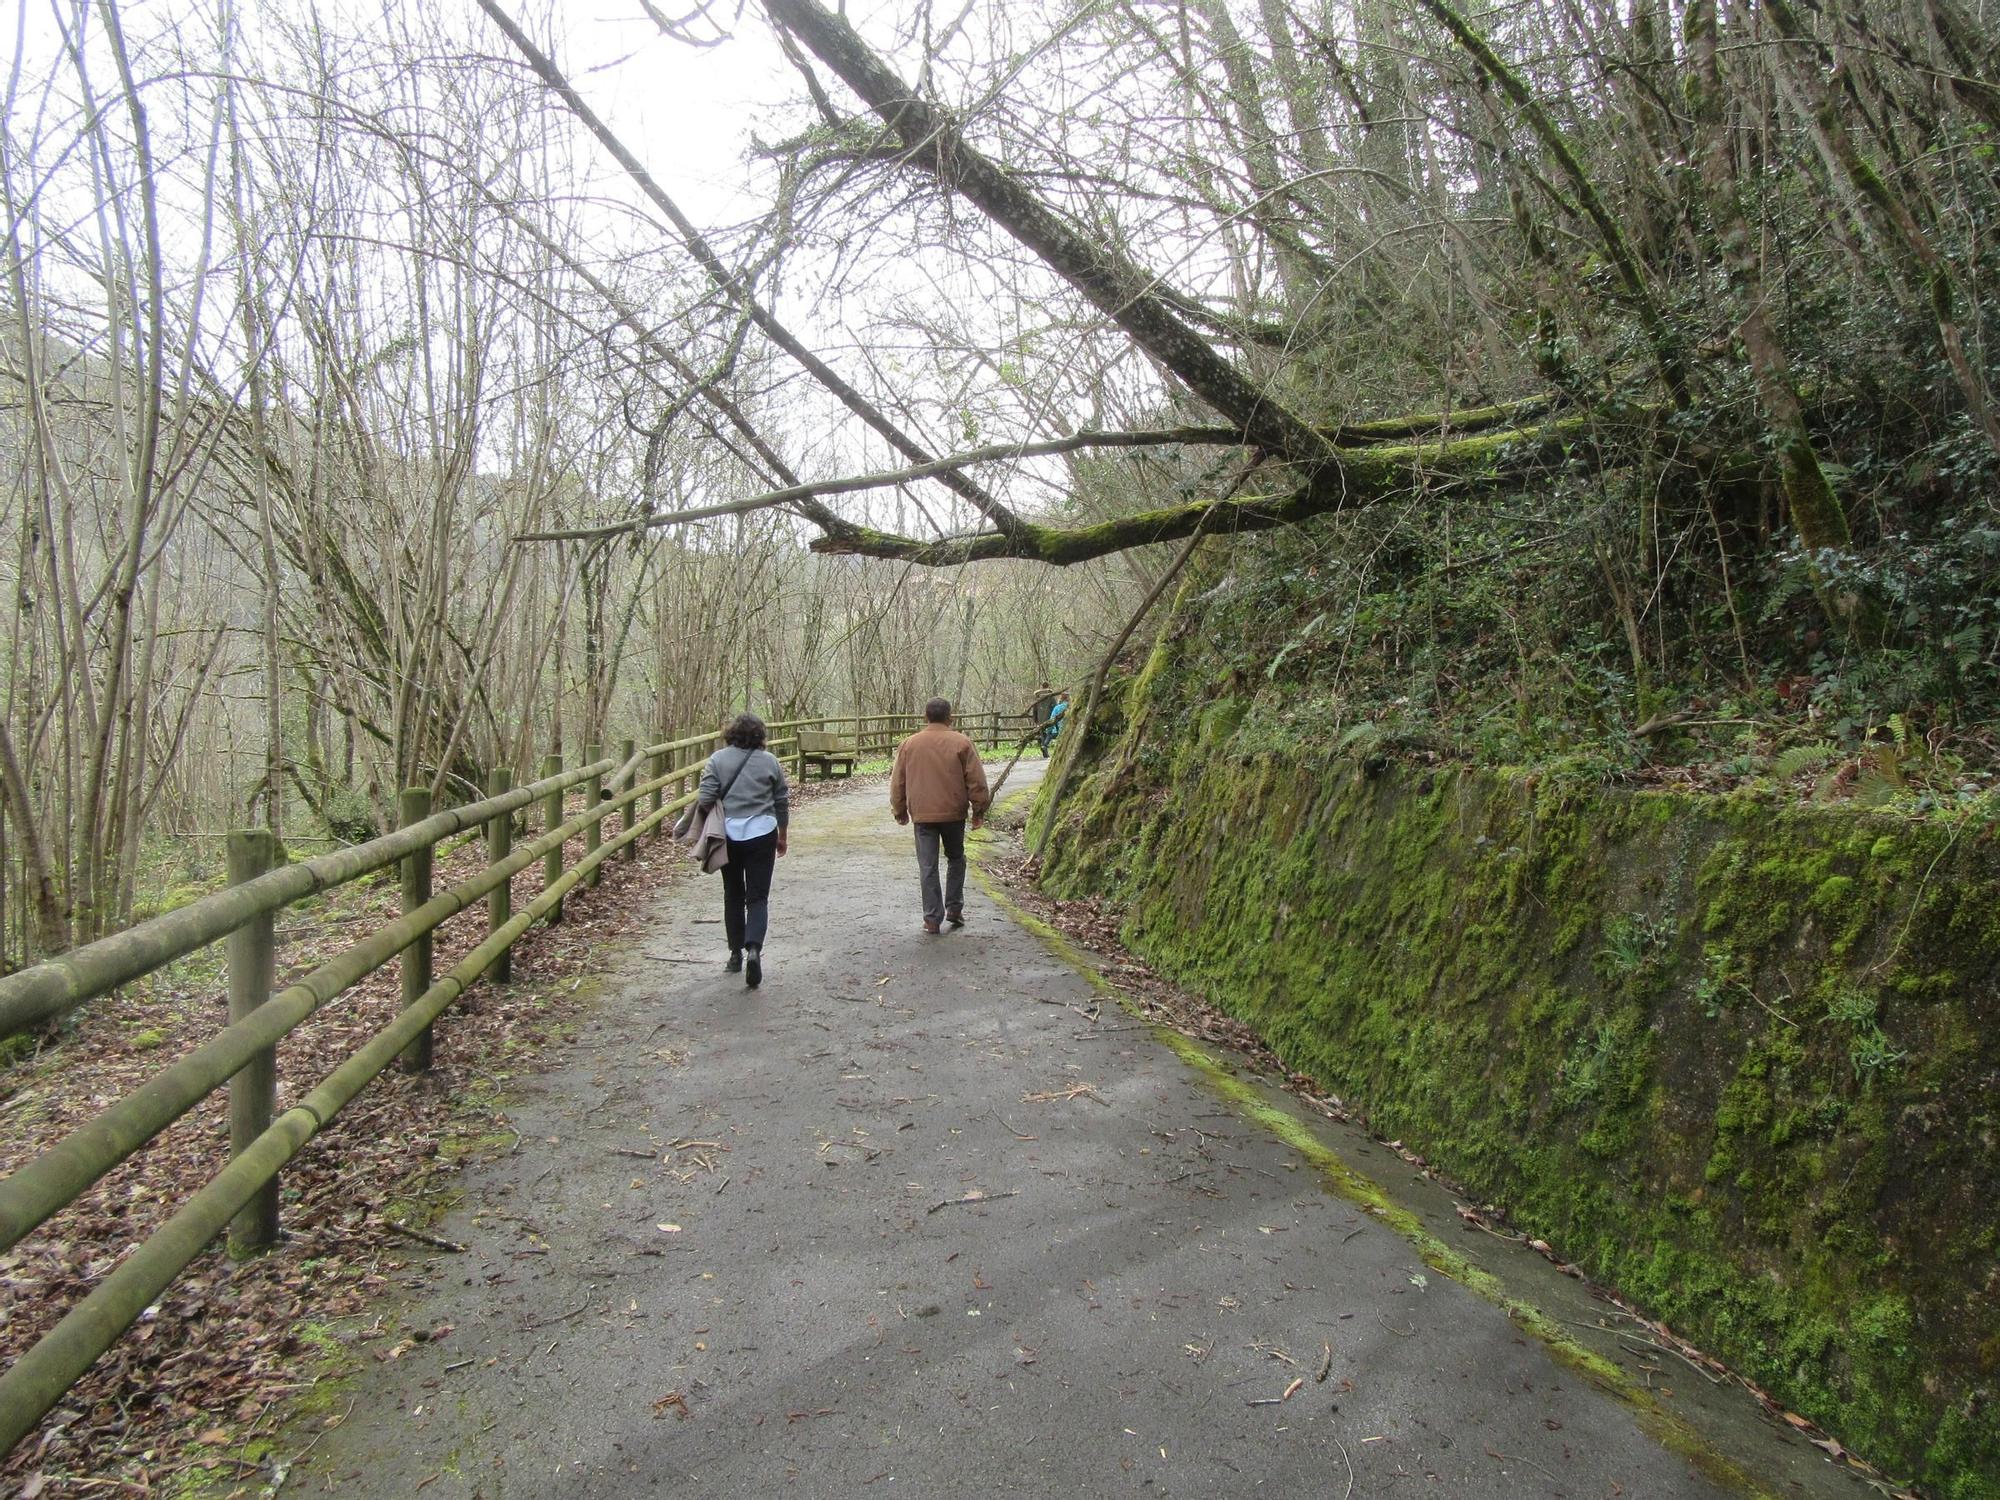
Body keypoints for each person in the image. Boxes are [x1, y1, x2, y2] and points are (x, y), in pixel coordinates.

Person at [695, 712, 790, 988]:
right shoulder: (770, 761)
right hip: (763, 833)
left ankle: (735, 954)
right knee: (758, 897)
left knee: (733, 892)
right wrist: (782, 834)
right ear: (760, 736)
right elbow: (781, 800)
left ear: (731, 734)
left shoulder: (717, 760)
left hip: (729, 835)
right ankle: (754, 950)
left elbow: (705, 798)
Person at [889, 698, 991, 934]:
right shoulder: (962, 742)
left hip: (923, 815)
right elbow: (976, 780)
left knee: (928, 865)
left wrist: (899, 809)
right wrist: (979, 809)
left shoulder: (909, 744)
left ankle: (932, 919)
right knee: (956, 858)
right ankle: (954, 907)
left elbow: (898, 782)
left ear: (925, 717)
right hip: (954, 813)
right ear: (949, 717)